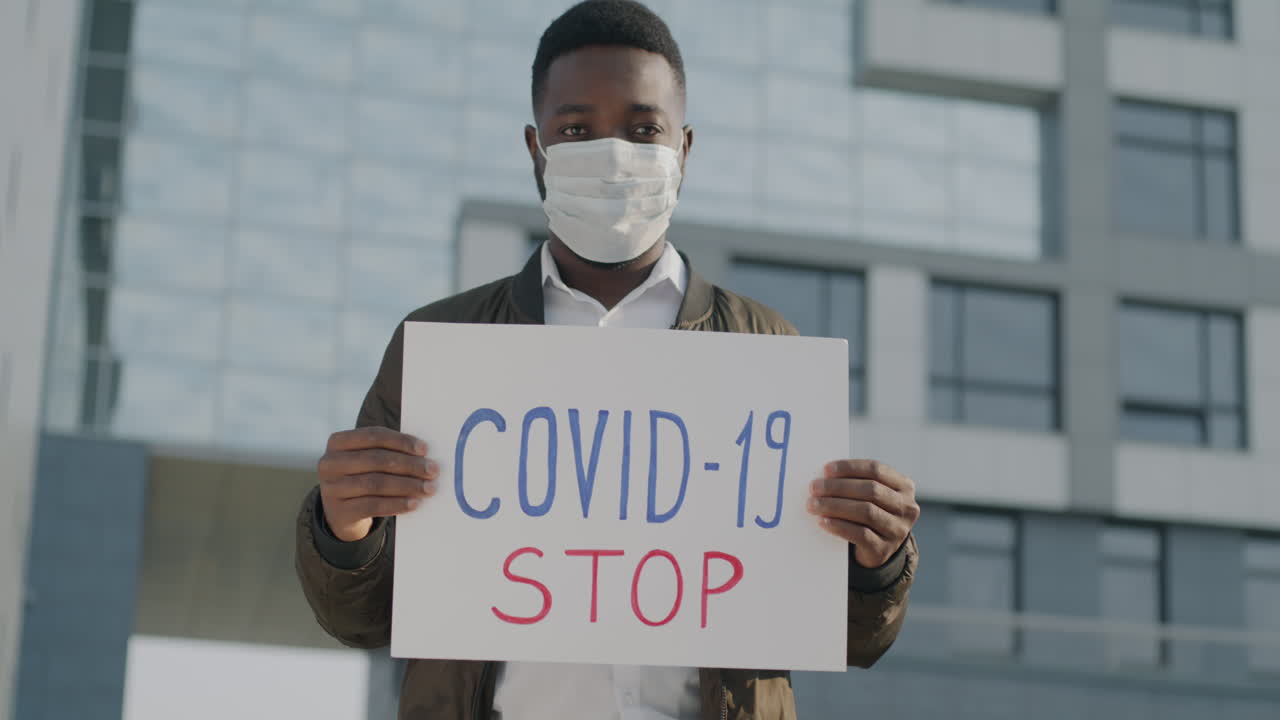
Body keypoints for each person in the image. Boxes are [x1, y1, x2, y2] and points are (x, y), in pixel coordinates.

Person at [295, 2, 920, 718]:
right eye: (577, 129)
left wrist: (878, 561)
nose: (614, 151)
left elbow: (846, 635)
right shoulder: (442, 345)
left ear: (684, 147)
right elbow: (362, 618)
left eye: (644, 128)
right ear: (536, 148)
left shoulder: (766, 350)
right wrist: (344, 531)